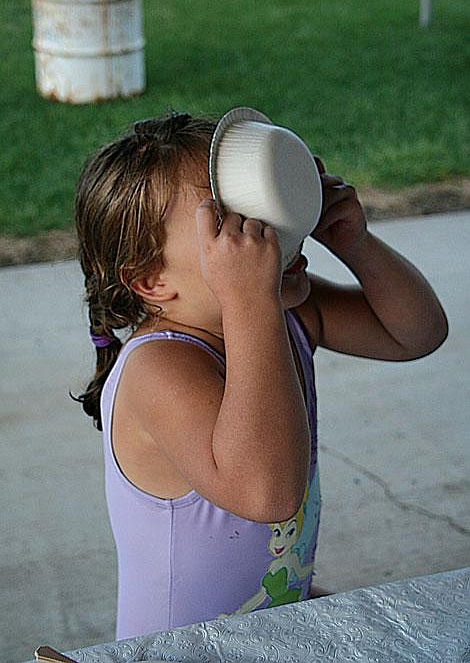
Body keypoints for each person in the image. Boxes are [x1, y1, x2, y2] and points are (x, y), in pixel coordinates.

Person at [73, 111, 448, 639]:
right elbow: (266, 494)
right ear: (151, 281)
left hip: (271, 623)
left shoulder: (287, 314)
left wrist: (353, 243)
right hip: (183, 651)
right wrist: (251, 299)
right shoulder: (159, 368)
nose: (269, 227)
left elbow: (416, 334)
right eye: (231, 220)